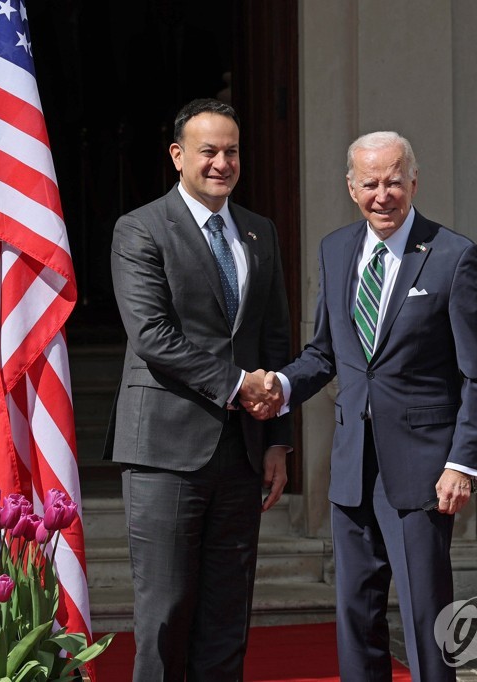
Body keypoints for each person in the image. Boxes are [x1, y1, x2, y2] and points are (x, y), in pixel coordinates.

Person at [263, 131, 477, 680]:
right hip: (350, 465)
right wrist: (278, 385)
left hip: (422, 471)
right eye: (369, 183)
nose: (383, 194)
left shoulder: (454, 256)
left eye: (394, 180)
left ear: (414, 181)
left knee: (426, 617)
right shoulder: (336, 249)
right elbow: (325, 352)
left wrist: (462, 464)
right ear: (351, 187)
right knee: (355, 614)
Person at [105, 97, 292, 681]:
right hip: (164, 450)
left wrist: (278, 442)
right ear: (177, 155)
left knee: (226, 612)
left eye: (231, 151)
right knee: (164, 612)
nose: (221, 163)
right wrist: (239, 384)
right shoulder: (139, 228)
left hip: (241, 452)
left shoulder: (260, 232)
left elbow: (276, 340)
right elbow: (153, 335)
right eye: (208, 151)